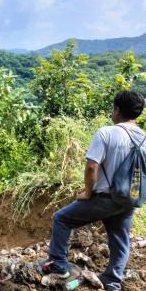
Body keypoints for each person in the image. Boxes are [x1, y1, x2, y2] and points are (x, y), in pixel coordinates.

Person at [42, 91, 145, 291]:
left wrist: (88, 193)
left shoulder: (106, 132)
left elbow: (91, 167)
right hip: (129, 199)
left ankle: (59, 266)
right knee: (120, 239)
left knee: (61, 219)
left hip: (105, 197)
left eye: (113, 108)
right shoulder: (144, 139)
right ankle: (113, 281)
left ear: (116, 110)